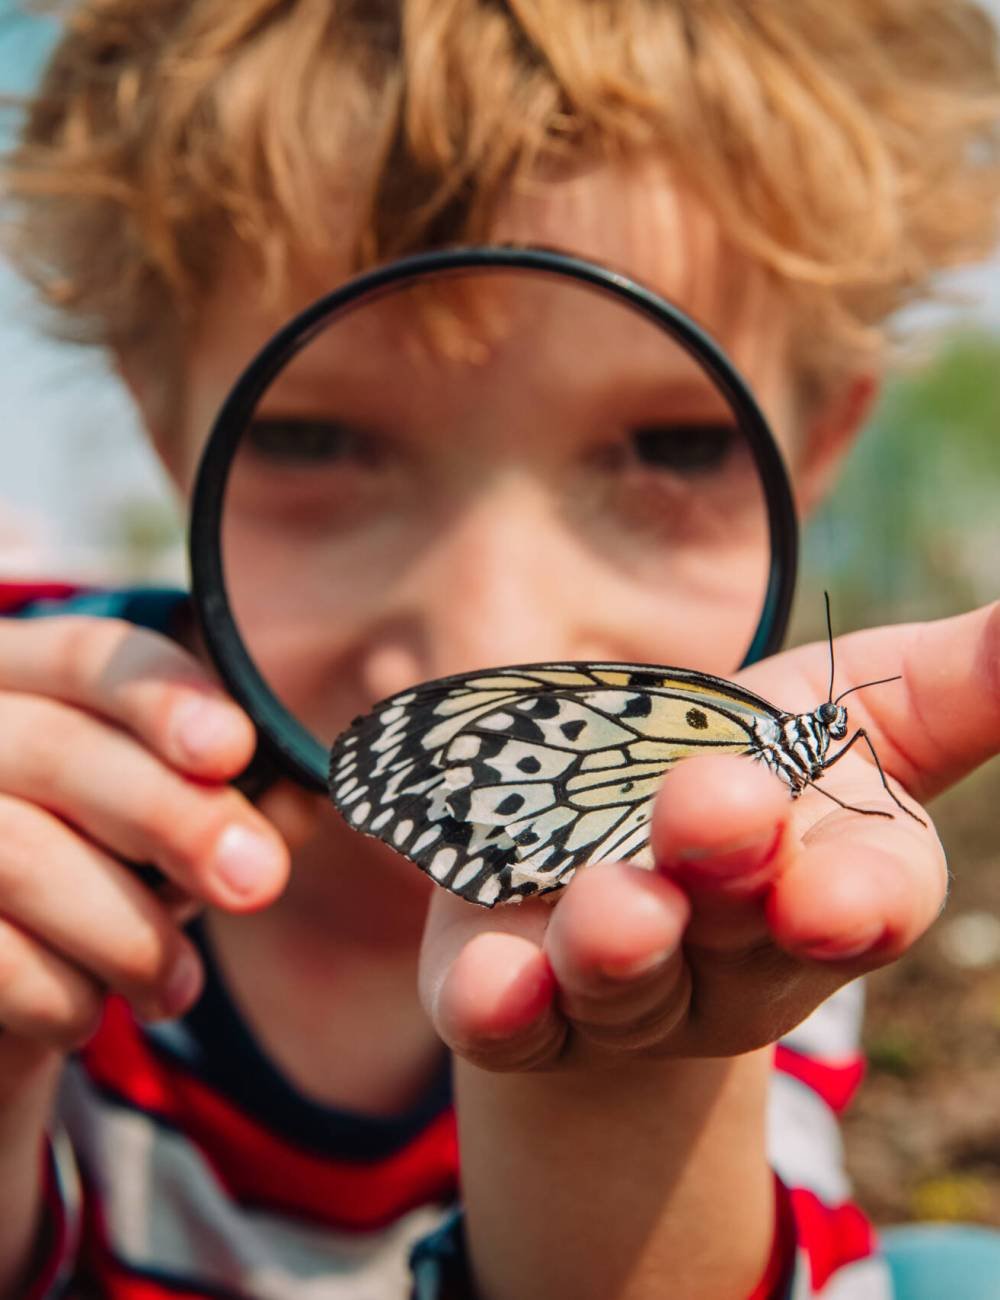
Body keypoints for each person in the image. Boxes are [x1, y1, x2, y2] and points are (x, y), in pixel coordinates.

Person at [1, 3, 999, 1297]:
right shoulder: (39, 751)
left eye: (671, 447)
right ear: (166, 429)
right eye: (317, 439)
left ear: (813, 455)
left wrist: (631, 1079)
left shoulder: (763, 857)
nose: (489, 631)